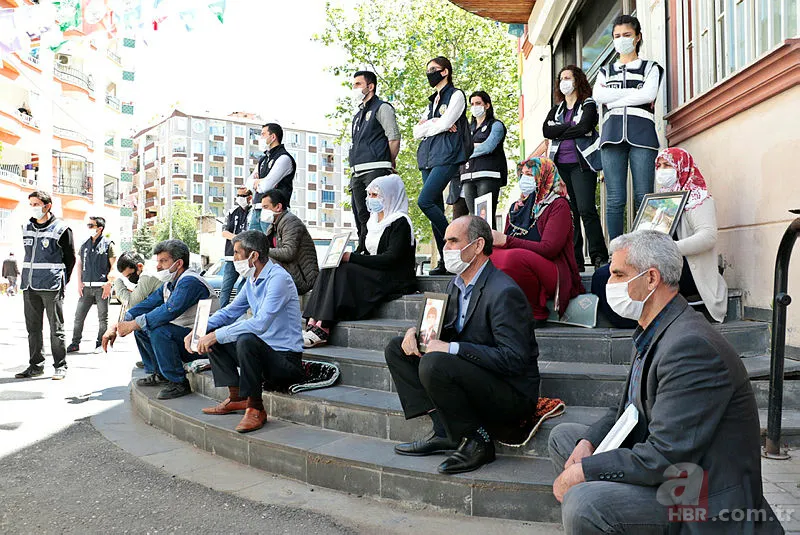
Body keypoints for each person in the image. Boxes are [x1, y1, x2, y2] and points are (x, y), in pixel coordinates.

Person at [548, 230, 781, 534]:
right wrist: (588, 442)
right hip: (672, 472)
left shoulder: (691, 347)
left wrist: (585, 472)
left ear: (651, 279)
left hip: (699, 498)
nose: (609, 284)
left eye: (619, 274)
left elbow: (665, 455)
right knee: (566, 439)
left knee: (584, 502)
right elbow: (627, 411)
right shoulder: (657, 327)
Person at [384, 216, 540, 474]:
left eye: (453, 241)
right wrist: (415, 333)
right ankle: (445, 430)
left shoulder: (504, 291)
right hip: (476, 372)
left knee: (435, 362)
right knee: (397, 348)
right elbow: (444, 330)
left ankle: (478, 441)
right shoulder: (455, 284)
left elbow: (514, 359)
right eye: (445, 241)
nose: (446, 247)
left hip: (510, 392)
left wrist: (452, 349)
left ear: (478, 246)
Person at [593, 147, 729, 327]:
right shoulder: (660, 200)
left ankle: (635, 321)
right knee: (602, 275)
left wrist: (669, 249)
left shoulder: (699, 199)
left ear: (681, 166)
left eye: (668, 165)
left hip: (686, 267)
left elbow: (708, 237)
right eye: (659, 166)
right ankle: (629, 317)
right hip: (657, 261)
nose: (662, 170)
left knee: (629, 276)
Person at [189, 230, 304, 433]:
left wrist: (215, 335)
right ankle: (237, 398)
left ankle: (256, 408)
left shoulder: (278, 279)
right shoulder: (252, 280)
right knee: (216, 335)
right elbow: (230, 312)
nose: (233, 258)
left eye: (236, 253)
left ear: (253, 256)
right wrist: (200, 329)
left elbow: (260, 324)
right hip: (261, 356)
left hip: (284, 361)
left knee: (245, 339)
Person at [303, 174, 417, 348]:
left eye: (375, 195)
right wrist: (341, 255)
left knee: (345, 270)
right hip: (375, 270)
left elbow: (391, 259)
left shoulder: (400, 222)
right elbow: (362, 249)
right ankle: (312, 321)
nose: (370, 199)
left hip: (392, 275)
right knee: (331, 266)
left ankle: (323, 326)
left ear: (390, 196)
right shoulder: (372, 221)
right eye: (369, 195)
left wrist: (352, 258)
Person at [115, 240, 219, 400]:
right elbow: (146, 305)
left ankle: (178, 382)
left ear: (179, 263)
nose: (158, 266)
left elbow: (169, 310)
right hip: (187, 338)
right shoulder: (170, 284)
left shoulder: (190, 282)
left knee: (159, 330)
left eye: (163, 261)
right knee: (142, 328)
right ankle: (160, 373)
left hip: (203, 343)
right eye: (158, 261)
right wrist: (121, 323)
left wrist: (133, 324)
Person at [594, 14, 664, 241]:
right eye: (617, 36)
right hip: (611, 135)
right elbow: (599, 96)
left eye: (626, 35)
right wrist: (634, 93)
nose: (621, 39)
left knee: (644, 195)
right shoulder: (605, 71)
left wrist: (614, 100)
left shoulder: (651, 68)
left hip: (643, 135)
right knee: (615, 198)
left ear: (637, 37)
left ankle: (645, 246)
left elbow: (649, 94)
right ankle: (616, 249)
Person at [489, 157, 583, 327]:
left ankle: (535, 312)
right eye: (523, 174)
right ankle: (505, 309)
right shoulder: (518, 207)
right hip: (529, 265)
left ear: (545, 176)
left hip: (555, 270)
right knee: (491, 254)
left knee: (513, 258)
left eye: (530, 175)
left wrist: (507, 241)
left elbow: (549, 249)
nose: (524, 179)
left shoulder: (558, 204)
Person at [543, 65, 608, 270]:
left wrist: (559, 130)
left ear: (577, 80)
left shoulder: (588, 104)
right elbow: (546, 131)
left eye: (568, 77)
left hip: (582, 165)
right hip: (560, 166)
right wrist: (571, 127)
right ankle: (575, 260)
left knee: (586, 209)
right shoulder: (557, 109)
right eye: (561, 78)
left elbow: (585, 126)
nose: (564, 82)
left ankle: (599, 255)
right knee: (570, 214)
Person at [414, 56, 470, 275]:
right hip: (427, 157)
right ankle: (446, 261)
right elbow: (416, 132)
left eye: (434, 69)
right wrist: (435, 123)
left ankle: (456, 243)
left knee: (425, 201)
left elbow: (447, 122)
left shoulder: (456, 95)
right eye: (428, 70)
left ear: (445, 71)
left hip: (447, 155)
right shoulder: (432, 102)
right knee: (434, 208)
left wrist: (437, 124)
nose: (430, 73)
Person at [16, 191, 76, 380]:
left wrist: (62, 280)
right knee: (33, 329)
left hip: (51, 285)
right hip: (29, 285)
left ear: (47, 205)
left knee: (56, 329)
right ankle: (36, 366)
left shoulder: (61, 229)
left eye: (36, 204)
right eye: (31, 204)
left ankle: (60, 366)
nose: (33, 207)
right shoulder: (26, 226)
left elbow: (70, 258)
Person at [349, 70, 401, 253]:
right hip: (357, 171)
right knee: (360, 215)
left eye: (358, 84)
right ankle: (363, 249)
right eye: (353, 84)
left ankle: (378, 252)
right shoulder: (358, 115)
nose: (354, 88)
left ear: (370, 86)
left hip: (376, 168)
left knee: (377, 213)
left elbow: (393, 137)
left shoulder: (382, 108)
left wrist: (389, 162)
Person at [67, 216, 116, 353]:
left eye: (91, 225)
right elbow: (79, 264)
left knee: (102, 319)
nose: (88, 228)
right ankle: (75, 343)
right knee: (78, 317)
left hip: (101, 288)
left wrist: (109, 284)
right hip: (86, 288)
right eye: (88, 225)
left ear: (100, 228)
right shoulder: (84, 244)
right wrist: (79, 282)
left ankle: (100, 344)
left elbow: (114, 266)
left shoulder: (108, 244)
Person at [102, 251, 164, 357]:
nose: (129, 278)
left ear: (139, 266)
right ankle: (151, 362)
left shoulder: (147, 276)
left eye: (130, 275)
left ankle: (153, 363)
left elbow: (131, 304)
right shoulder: (147, 274)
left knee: (140, 328)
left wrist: (117, 282)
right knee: (139, 328)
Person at [459, 91, 507, 229]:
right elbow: (457, 148)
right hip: (467, 177)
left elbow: (488, 147)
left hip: (487, 175)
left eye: (478, 103)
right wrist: (471, 147)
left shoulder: (496, 125)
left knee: (486, 219)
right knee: (474, 220)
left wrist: (466, 151)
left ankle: (492, 242)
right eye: (472, 104)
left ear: (487, 105)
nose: (475, 107)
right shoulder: (467, 129)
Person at [261, 189, 319, 295]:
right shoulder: (274, 225)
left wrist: (262, 250)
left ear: (278, 207)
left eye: (265, 207)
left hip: (303, 279)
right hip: (289, 274)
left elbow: (288, 253)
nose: (263, 211)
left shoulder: (291, 222)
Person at [247, 123, 297, 232]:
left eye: (263, 134)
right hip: (257, 208)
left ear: (273, 137)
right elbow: (248, 183)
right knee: (251, 242)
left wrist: (260, 181)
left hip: (273, 210)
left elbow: (265, 186)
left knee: (272, 242)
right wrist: (258, 181)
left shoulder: (284, 158)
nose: (260, 138)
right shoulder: (263, 159)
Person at [219, 187, 252, 307]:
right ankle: (222, 312)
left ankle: (237, 311)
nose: (239, 198)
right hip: (231, 256)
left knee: (244, 286)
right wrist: (239, 239)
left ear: (249, 197)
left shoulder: (253, 212)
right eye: (237, 195)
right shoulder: (231, 212)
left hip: (248, 256)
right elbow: (224, 232)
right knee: (226, 287)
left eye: (242, 196)